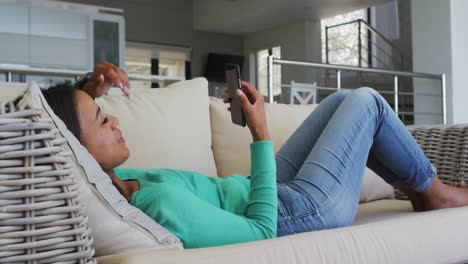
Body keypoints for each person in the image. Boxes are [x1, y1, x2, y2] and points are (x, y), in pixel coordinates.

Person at [41, 62, 468, 248]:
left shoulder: (124, 184)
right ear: (79, 148)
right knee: (367, 102)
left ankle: (418, 187)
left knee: (341, 100)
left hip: (267, 189)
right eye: (101, 120)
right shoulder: (156, 205)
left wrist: (89, 86)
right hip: (296, 213)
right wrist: (259, 135)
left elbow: (59, 137)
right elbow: (261, 231)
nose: (114, 119)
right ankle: (433, 190)